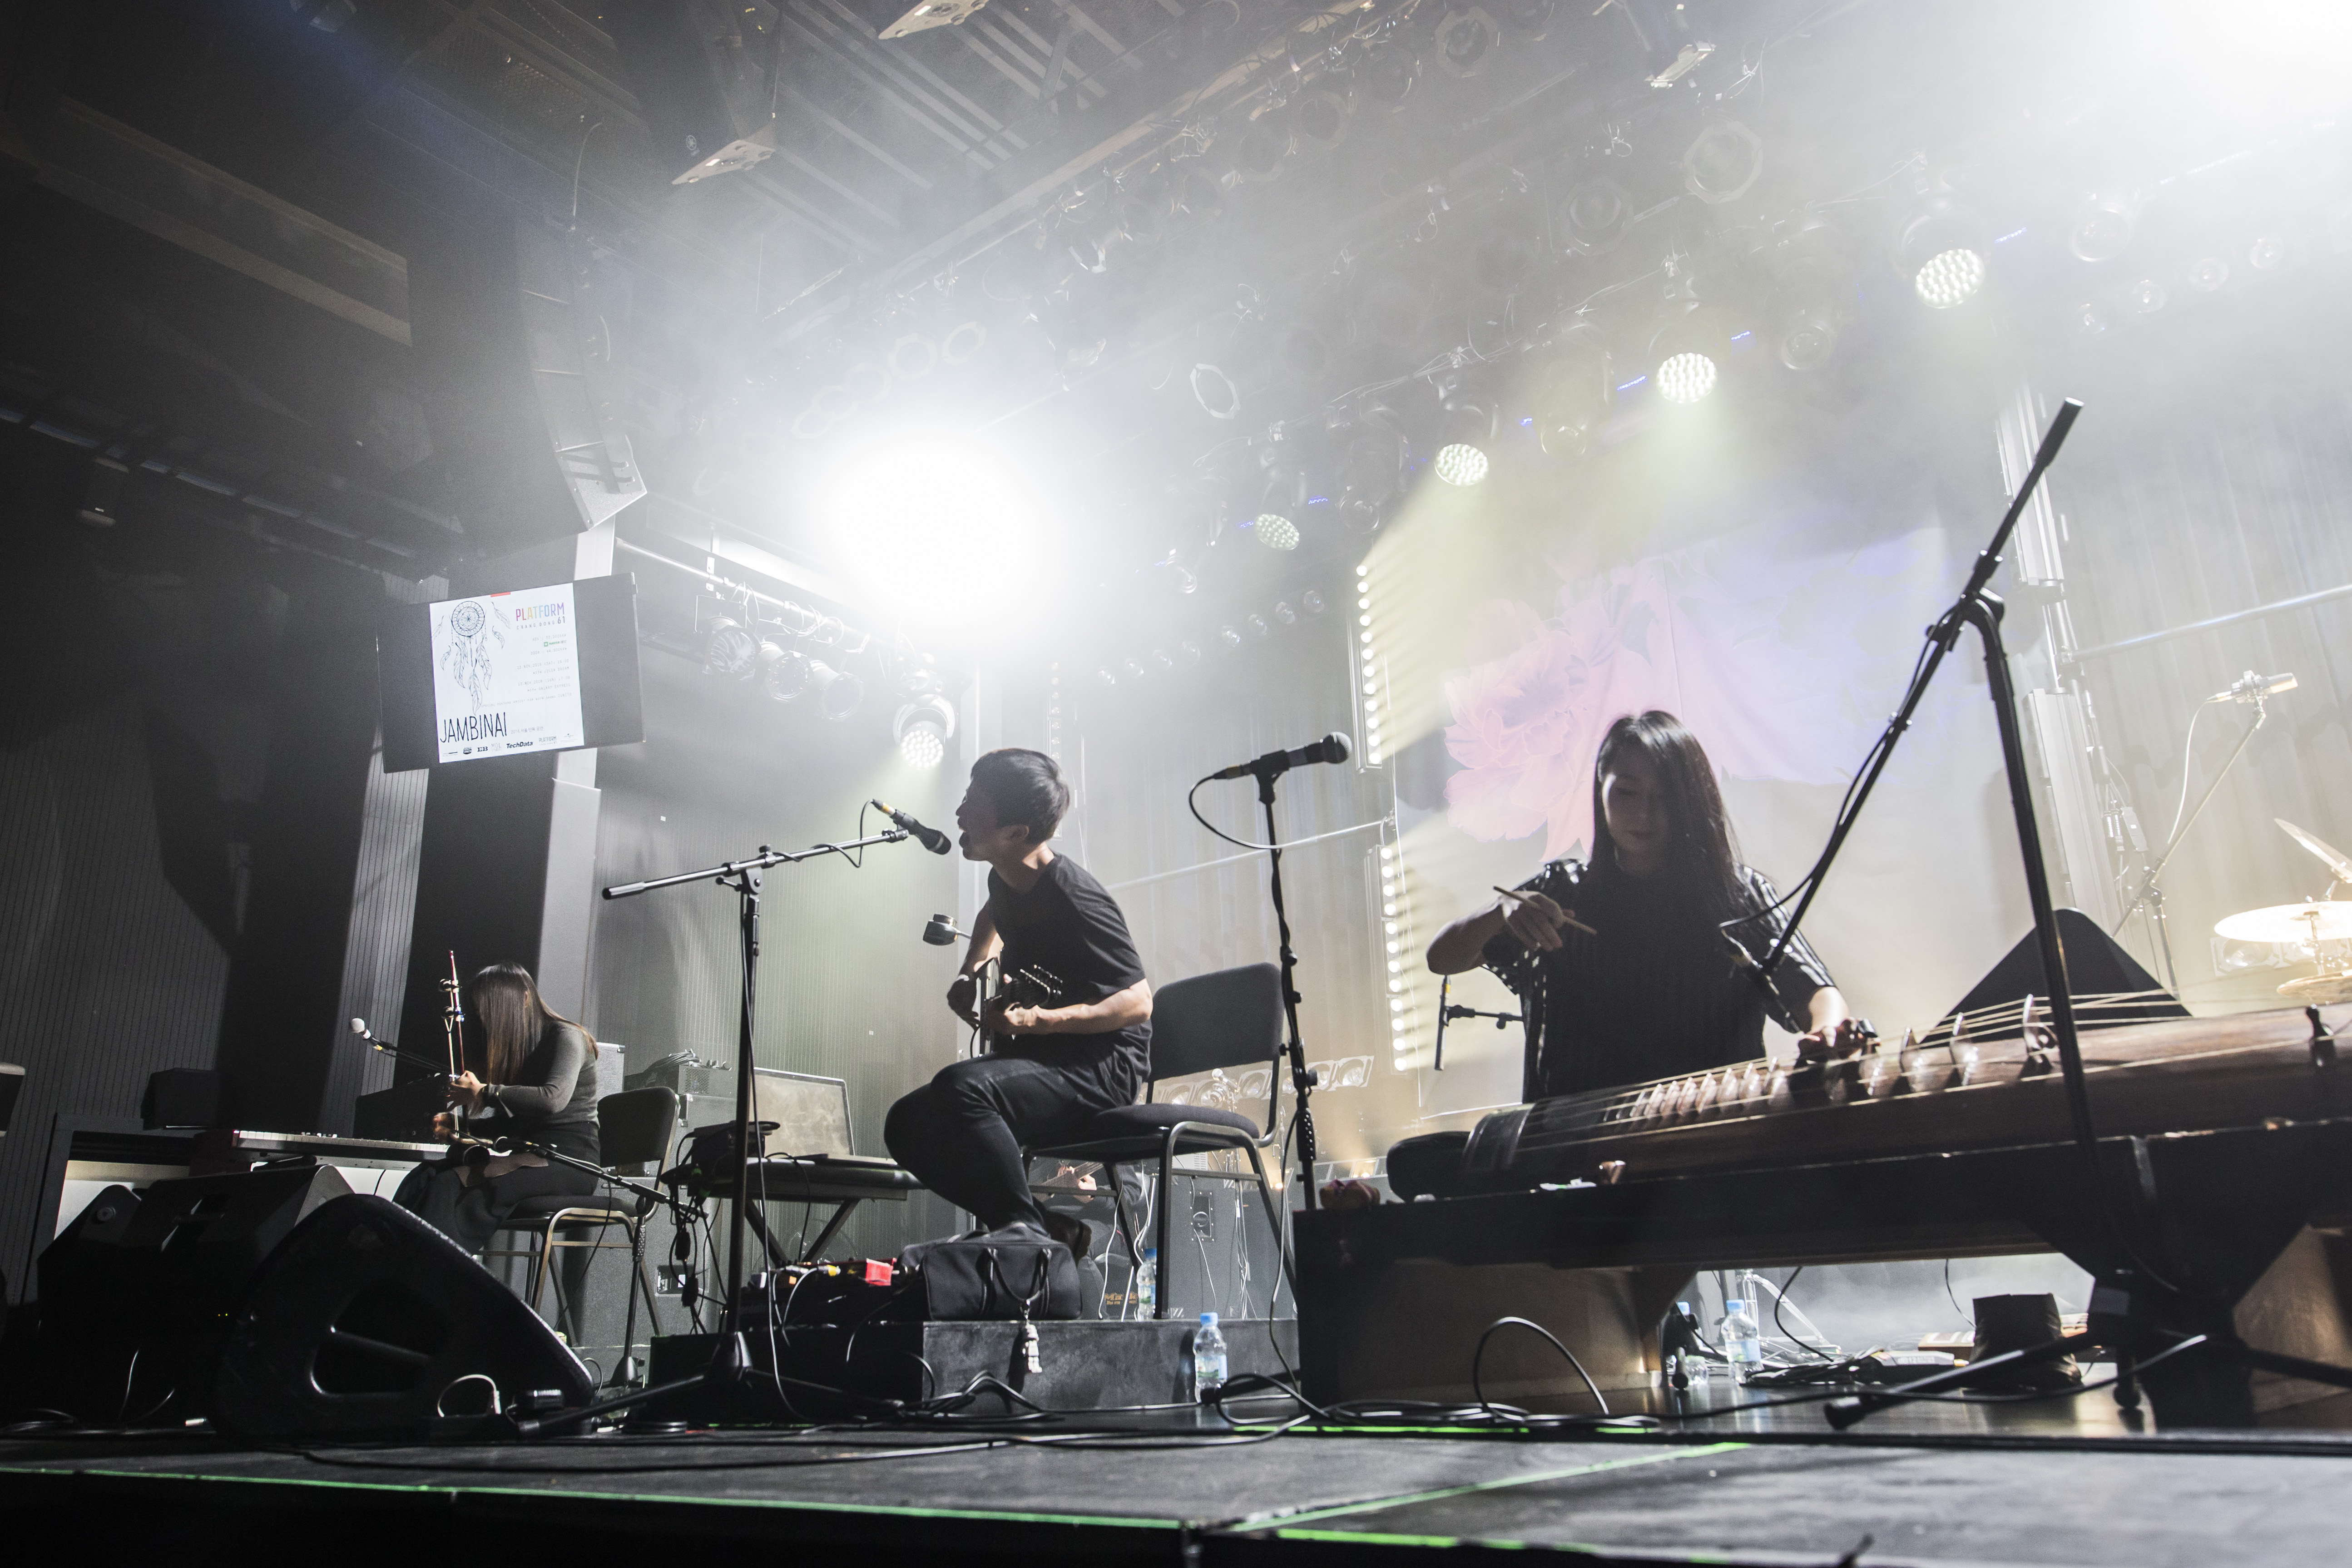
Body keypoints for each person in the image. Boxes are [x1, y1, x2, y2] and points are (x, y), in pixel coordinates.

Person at [1426, 710, 1865, 1102]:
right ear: (1600, 792)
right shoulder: (1561, 891)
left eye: (1665, 797)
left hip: (1707, 1134)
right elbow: (1442, 958)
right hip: (1570, 1146)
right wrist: (1500, 910)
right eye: (1627, 793)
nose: (1644, 813)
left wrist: (1829, 1031)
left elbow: (1815, 992)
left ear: (1691, 801)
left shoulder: (1736, 893)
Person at [885, 748, 1152, 1245]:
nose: (959, 813)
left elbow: (1138, 1003)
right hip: (1051, 1062)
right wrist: (970, 971)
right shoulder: (1006, 875)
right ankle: (1049, 1230)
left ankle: (1021, 1234)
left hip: (1103, 1067)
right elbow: (993, 912)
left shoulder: (1076, 896)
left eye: (973, 804)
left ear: (1015, 833)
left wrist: (1040, 1022)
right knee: (906, 1122)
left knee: (962, 1087)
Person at [395, 962, 603, 1253]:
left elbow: (552, 1099)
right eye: (483, 1014)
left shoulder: (567, 1037)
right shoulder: (524, 1052)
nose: (488, 1023)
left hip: (569, 1163)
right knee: (425, 1176)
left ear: (525, 999)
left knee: (449, 1185)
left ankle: (437, 1266)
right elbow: (514, 1126)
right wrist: (460, 1127)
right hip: (532, 1156)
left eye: (493, 1013)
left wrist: (483, 1092)